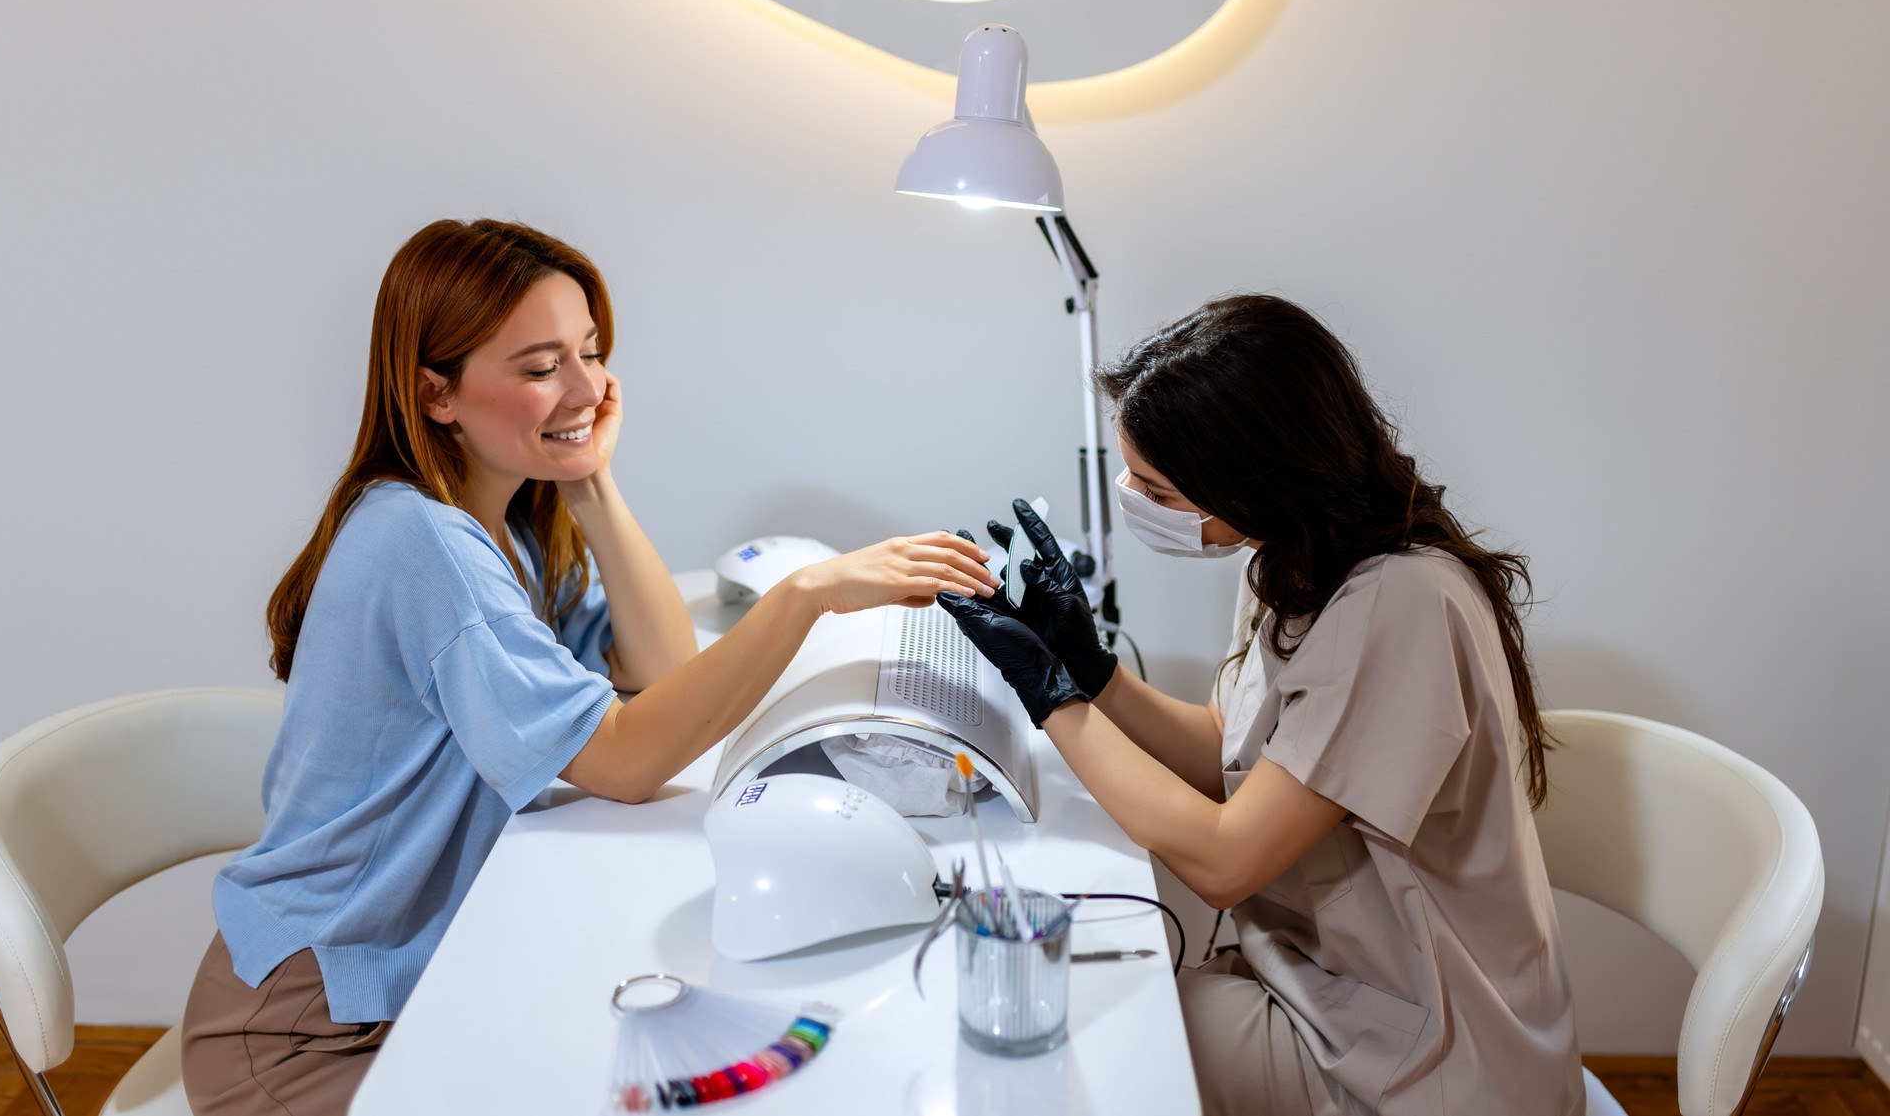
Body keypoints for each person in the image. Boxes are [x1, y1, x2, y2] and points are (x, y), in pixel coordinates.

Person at [180, 219, 995, 1115]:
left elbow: (657, 668)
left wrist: (590, 479)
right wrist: (805, 596)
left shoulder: (507, 531)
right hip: (310, 1032)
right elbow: (625, 758)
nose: (590, 387)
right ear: (436, 392)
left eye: (592, 353)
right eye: (540, 368)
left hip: (416, 986)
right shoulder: (421, 542)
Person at [940, 294, 1583, 1115]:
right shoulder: (1287, 558)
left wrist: (1053, 699)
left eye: (1155, 487)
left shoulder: (1400, 604)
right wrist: (1091, 669)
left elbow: (1224, 859)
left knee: (1077, 1040)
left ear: (1251, 481)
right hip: (1328, 982)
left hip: (1430, 1059)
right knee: (1092, 991)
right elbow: (1228, 749)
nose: (1132, 499)